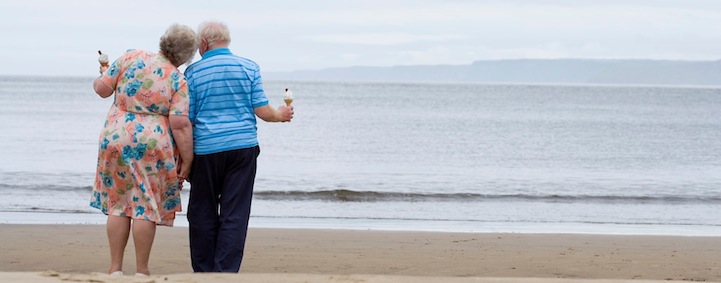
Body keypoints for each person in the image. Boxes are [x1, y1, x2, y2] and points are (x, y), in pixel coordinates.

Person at [184, 21, 294, 272]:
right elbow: (263, 111)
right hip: (242, 147)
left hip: (207, 149)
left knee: (202, 211)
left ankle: (203, 271)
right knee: (235, 212)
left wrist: (183, 158)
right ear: (227, 40)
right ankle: (225, 272)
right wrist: (281, 114)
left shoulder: (193, 73)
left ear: (203, 43)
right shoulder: (249, 67)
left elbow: (187, 120)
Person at [90, 24, 197, 276]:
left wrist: (104, 74)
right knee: (144, 205)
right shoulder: (178, 78)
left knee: (118, 203)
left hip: (115, 137)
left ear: (163, 41)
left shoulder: (131, 57)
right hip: (152, 142)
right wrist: (188, 159)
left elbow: (101, 90)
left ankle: (115, 268)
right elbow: (180, 124)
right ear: (185, 56)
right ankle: (141, 270)